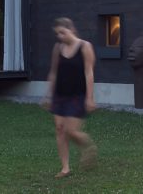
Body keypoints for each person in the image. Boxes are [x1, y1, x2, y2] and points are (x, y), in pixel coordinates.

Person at [41, 17, 97, 178]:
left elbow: (89, 73)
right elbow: (53, 72)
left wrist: (89, 98)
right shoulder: (58, 48)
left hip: (77, 95)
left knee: (71, 131)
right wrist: (48, 95)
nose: (60, 36)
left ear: (71, 30)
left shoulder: (85, 47)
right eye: (57, 34)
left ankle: (88, 147)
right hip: (60, 94)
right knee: (60, 130)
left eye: (62, 32)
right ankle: (65, 168)